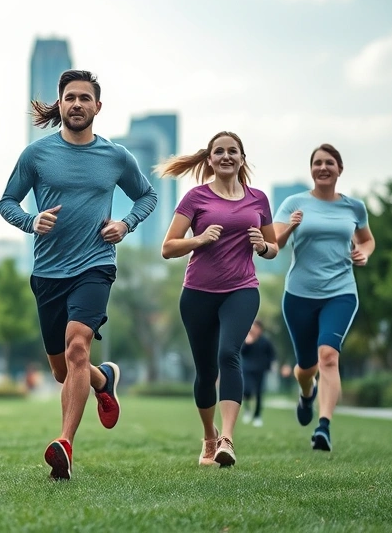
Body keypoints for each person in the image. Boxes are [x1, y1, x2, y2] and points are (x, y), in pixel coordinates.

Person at [0, 69, 158, 480]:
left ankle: (64, 444)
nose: (77, 104)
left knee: (76, 350)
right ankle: (104, 381)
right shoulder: (36, 155)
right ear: (61, 103)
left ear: (97, 107)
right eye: (70, 97)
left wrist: (125, 225)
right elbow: (6, 202)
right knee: (62, 370)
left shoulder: (116, 157)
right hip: (48, 272)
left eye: (85, 98)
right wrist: (31, 222)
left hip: (95, 265)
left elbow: (148, 195)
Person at [158, 131, 277, 467]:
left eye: (233, 151)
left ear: (242, 158)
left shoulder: (258, 199)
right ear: (209, 160)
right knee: (206, 370)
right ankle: (209, 437)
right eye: (219, 152)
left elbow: (272, 248)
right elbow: (168, 247)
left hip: (242, 289)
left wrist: (263, 246)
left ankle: (227, 439)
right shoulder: (195, 198)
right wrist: (200, 240)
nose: (226, 156)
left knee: (229, 354)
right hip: (197, 294)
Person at [273, 143, 375, 452]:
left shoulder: (354, 207)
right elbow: (272, 243)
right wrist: (291, 226)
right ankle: (306, 394)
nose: (323, 167)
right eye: (317, 162)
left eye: (329, 162)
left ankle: (324, 427)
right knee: (305, 368)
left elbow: (367, 239)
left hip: (340, 292)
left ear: (339, 169)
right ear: (311, 169)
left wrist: (364, 253)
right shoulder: (293, 203)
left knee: (329, 356)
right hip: (299, 295)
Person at [241, 319, 276, 427]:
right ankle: (247, 411)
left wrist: (270, 366)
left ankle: (257, 416)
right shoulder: (246, 339)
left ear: (260, 329)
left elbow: (272, 355)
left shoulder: (265, 341)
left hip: (260, 370)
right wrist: (247, 343)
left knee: (259, 393)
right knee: (246, 391)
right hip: (247, 369)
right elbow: (242, 352)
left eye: (256, 328)